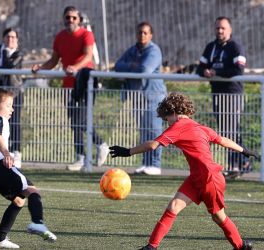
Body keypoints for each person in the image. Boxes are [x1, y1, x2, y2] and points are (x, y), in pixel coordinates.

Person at [109, 93, 256, 250]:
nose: (167, 124)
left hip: (210, 178)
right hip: (196, 178)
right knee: (173, 207)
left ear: (172, 113)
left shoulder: (177, 127)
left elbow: (152, 145)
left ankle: (241, 246)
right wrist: (244, 150)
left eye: (167, 119)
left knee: (218, 216)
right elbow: (223, 140)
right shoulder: (201, 127)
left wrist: (128, 151)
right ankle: (151, 247)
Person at [0, 87, 57, 248]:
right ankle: (37, 222)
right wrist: (6, 153)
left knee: (18, 200)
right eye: (9, 105)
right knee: (32, 191)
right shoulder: (0, 120)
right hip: (1, 165)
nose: (12, 109)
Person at [31, 6, 109, 171]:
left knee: (81, 120)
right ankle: (81, 156)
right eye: (67, 17)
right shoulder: (60, 37)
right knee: (75, 122)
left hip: (86, 83)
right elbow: (53, 61)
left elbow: (88, 56)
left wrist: (75, 67)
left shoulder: (86, 34)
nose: (70, 20)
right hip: (68, 86)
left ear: (79, 20)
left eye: (74, 17)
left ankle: (101, 144)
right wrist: (40, 67)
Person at [196, 16, 249, 177]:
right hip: (217, 94)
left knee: (231, 131)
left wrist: (216, 72)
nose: (220, 31)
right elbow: (199, 68)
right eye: (217, 28)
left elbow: (238, 70)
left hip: (232, 94)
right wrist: (205, 72)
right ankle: (243, 164)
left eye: (223, 28)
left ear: (230, 30)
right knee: (225, 131)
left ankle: (236, 166)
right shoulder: (211, 46)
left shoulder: (235, 47)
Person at [114, 22, 167, 175]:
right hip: (137, 97)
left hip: (153, 96)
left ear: (151, 35)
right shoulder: (133, 50)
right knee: (144, 132)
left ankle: (155, 164)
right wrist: (133, 65)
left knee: (154, 131)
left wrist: (130, 66)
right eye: (139, 32)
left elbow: (146, 69)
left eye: (145, 33)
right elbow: (118, 65)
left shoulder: (154, 50)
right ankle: (146, 163)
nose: (142, 35)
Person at [0, 28, 24, 168]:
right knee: (0, 123)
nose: (10, 40)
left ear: (17, 40)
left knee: (15, 122)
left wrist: (4, 52)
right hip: (1, 94)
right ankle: (3, 152)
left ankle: (17, 152)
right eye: (7, 37)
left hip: (15, 92)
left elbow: (10, 65)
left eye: (13, 37)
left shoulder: (18, 53)